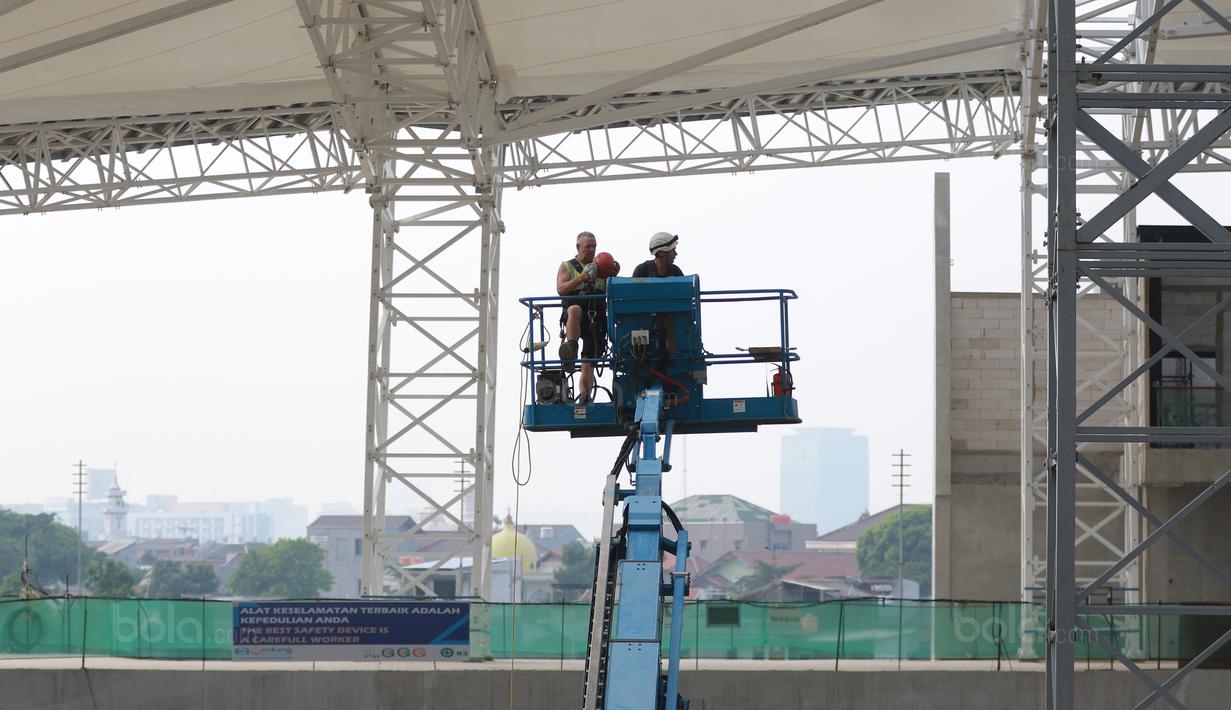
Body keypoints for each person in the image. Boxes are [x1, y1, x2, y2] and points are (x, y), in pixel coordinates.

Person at [556, 231, 620, 402]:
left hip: (596, 318)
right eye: (588, 246)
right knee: (575, 309)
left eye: (594, 247)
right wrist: (582, 278)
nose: (591, 250)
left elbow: (613, 292)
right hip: (576, 315)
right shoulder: (568, 266)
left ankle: (585, 396)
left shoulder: (602, 268)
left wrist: (613, 277)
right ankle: (571, 348)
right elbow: (561, 289)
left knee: (588, 362)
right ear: (578, 247)